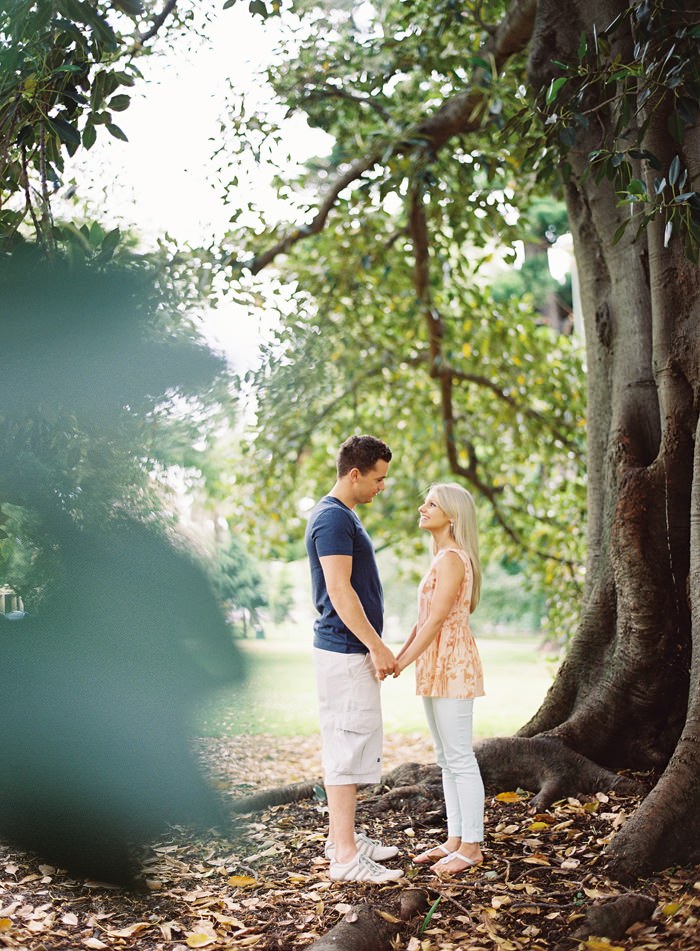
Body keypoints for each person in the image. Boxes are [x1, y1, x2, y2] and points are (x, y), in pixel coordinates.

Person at [305, 434, 403, 884]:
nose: (382, 487)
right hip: (345, 651)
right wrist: (376, 646)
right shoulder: (331, 519)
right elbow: (340, 591)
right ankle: (344, 858)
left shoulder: (344, 516)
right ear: (355, 473)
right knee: (345, 750)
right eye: (378, 479)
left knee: (353, 746)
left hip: (349, 651)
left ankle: (341, 837)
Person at [395, 482, 485, 875]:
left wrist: (400, 664)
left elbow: (434, 623)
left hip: (452, 665)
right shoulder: (440, 558)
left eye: (432, 504)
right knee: (446, 759)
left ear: (451, 516)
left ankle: (473, 847)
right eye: (425, 502)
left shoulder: (452, 559)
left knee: (461, 758)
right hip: (435, 665)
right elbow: (421, 622)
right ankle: (454, 838)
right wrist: (397, 658)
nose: (422, 508)